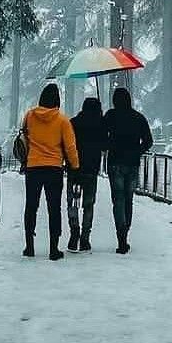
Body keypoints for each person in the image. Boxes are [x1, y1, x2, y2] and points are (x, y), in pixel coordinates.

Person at [20, 82, 79, 260]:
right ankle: (54, 249)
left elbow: (24, 137)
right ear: (57, 100)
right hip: (54, 168)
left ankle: (29, 246)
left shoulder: (29, 116)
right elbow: (70, 146)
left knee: (31, 206)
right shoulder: (63, 120)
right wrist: (75, 166)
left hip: (33, 167)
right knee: (54, 208)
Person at [103, 86, 153, 254]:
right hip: (132, 164)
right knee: (128, 199)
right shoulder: (138, 118)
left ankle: (121, 236)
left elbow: (102, 139)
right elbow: (148, 141)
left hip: (115, 163)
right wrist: (137, 150)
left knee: (118, 200)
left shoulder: (110, 116)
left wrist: (110, 144)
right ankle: (126, 231)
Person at [67, 96, 105, 252]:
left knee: (73, 202)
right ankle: (85, 238)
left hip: (74, 169)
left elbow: (67, 143)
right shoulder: (100, 124)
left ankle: (74, 232)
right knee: (88, 204)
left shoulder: (73, 122)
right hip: (91, 170)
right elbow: (104, 145)